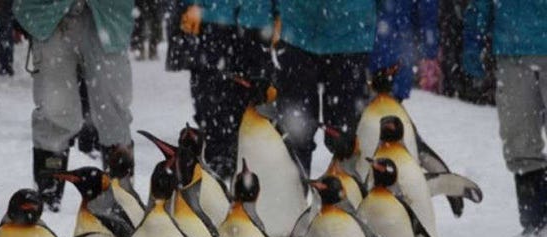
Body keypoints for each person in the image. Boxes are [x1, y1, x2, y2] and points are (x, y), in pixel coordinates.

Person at [13, 0, 134, 211]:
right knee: (54, 110)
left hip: (109, 14)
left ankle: (122, 196)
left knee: (113, 110)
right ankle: (48, 195)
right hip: (46, 13)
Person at [463, 0, 547, 237]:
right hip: (511, 51)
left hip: (517, 43)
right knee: (519, 139)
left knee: (520, 139)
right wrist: (473, 39)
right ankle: (536, 225)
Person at [273, 1, 377, 175]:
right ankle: (296, 195)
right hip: (300, 30)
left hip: (350, 34)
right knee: (295, 133)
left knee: (346, 137)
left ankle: (347, 194)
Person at [178, 0, 275, 180]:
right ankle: (220, 170)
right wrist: (186, 7)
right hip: (213, 24)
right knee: (213, 111)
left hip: (256, 24)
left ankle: (250, 173)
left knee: (256, 110)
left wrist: (280, 13)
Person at [371, 0, 441, 102]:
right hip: (402, 46)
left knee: (373, 101)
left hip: (375, 44)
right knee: (393, 100)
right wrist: (429, 48)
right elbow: (427, 15)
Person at [0, 0, 15, 76]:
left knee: (4, 41)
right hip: (5, 16)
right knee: (6, 41)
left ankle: (5, 64)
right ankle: (6, 64)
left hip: (4, 16)